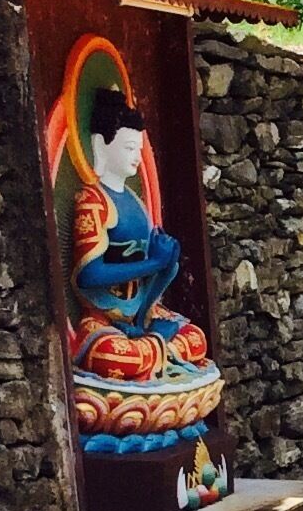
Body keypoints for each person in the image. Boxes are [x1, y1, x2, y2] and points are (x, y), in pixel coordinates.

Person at [68, 86, 211, 390]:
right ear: (101, 145)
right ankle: (156, 351)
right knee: (112, 356)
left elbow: (155, 271)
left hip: (141, 312)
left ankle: (152, 348)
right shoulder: (92, 200)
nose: (136, 157)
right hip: (103, 316)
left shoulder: (136, 202)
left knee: (196, 339)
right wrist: (153, 264)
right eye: (129, 148)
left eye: (139, 149)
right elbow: (89, 275)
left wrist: (167, 262)